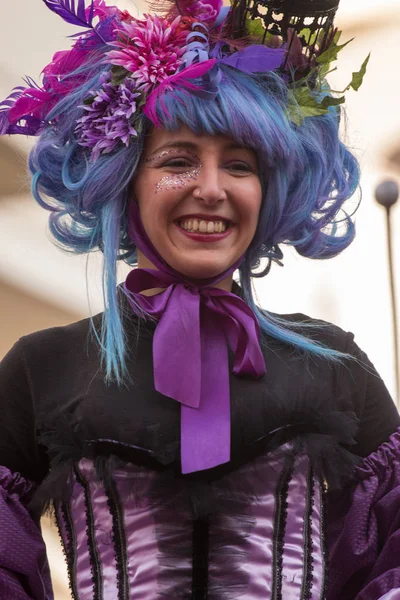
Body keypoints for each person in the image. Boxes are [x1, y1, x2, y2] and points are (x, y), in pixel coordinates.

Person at [1, 0, 400, 598]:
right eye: (178, 160)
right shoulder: (41, 367)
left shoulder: (334, 361)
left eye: (239, 165)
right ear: (124, 183)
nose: (210, 190)